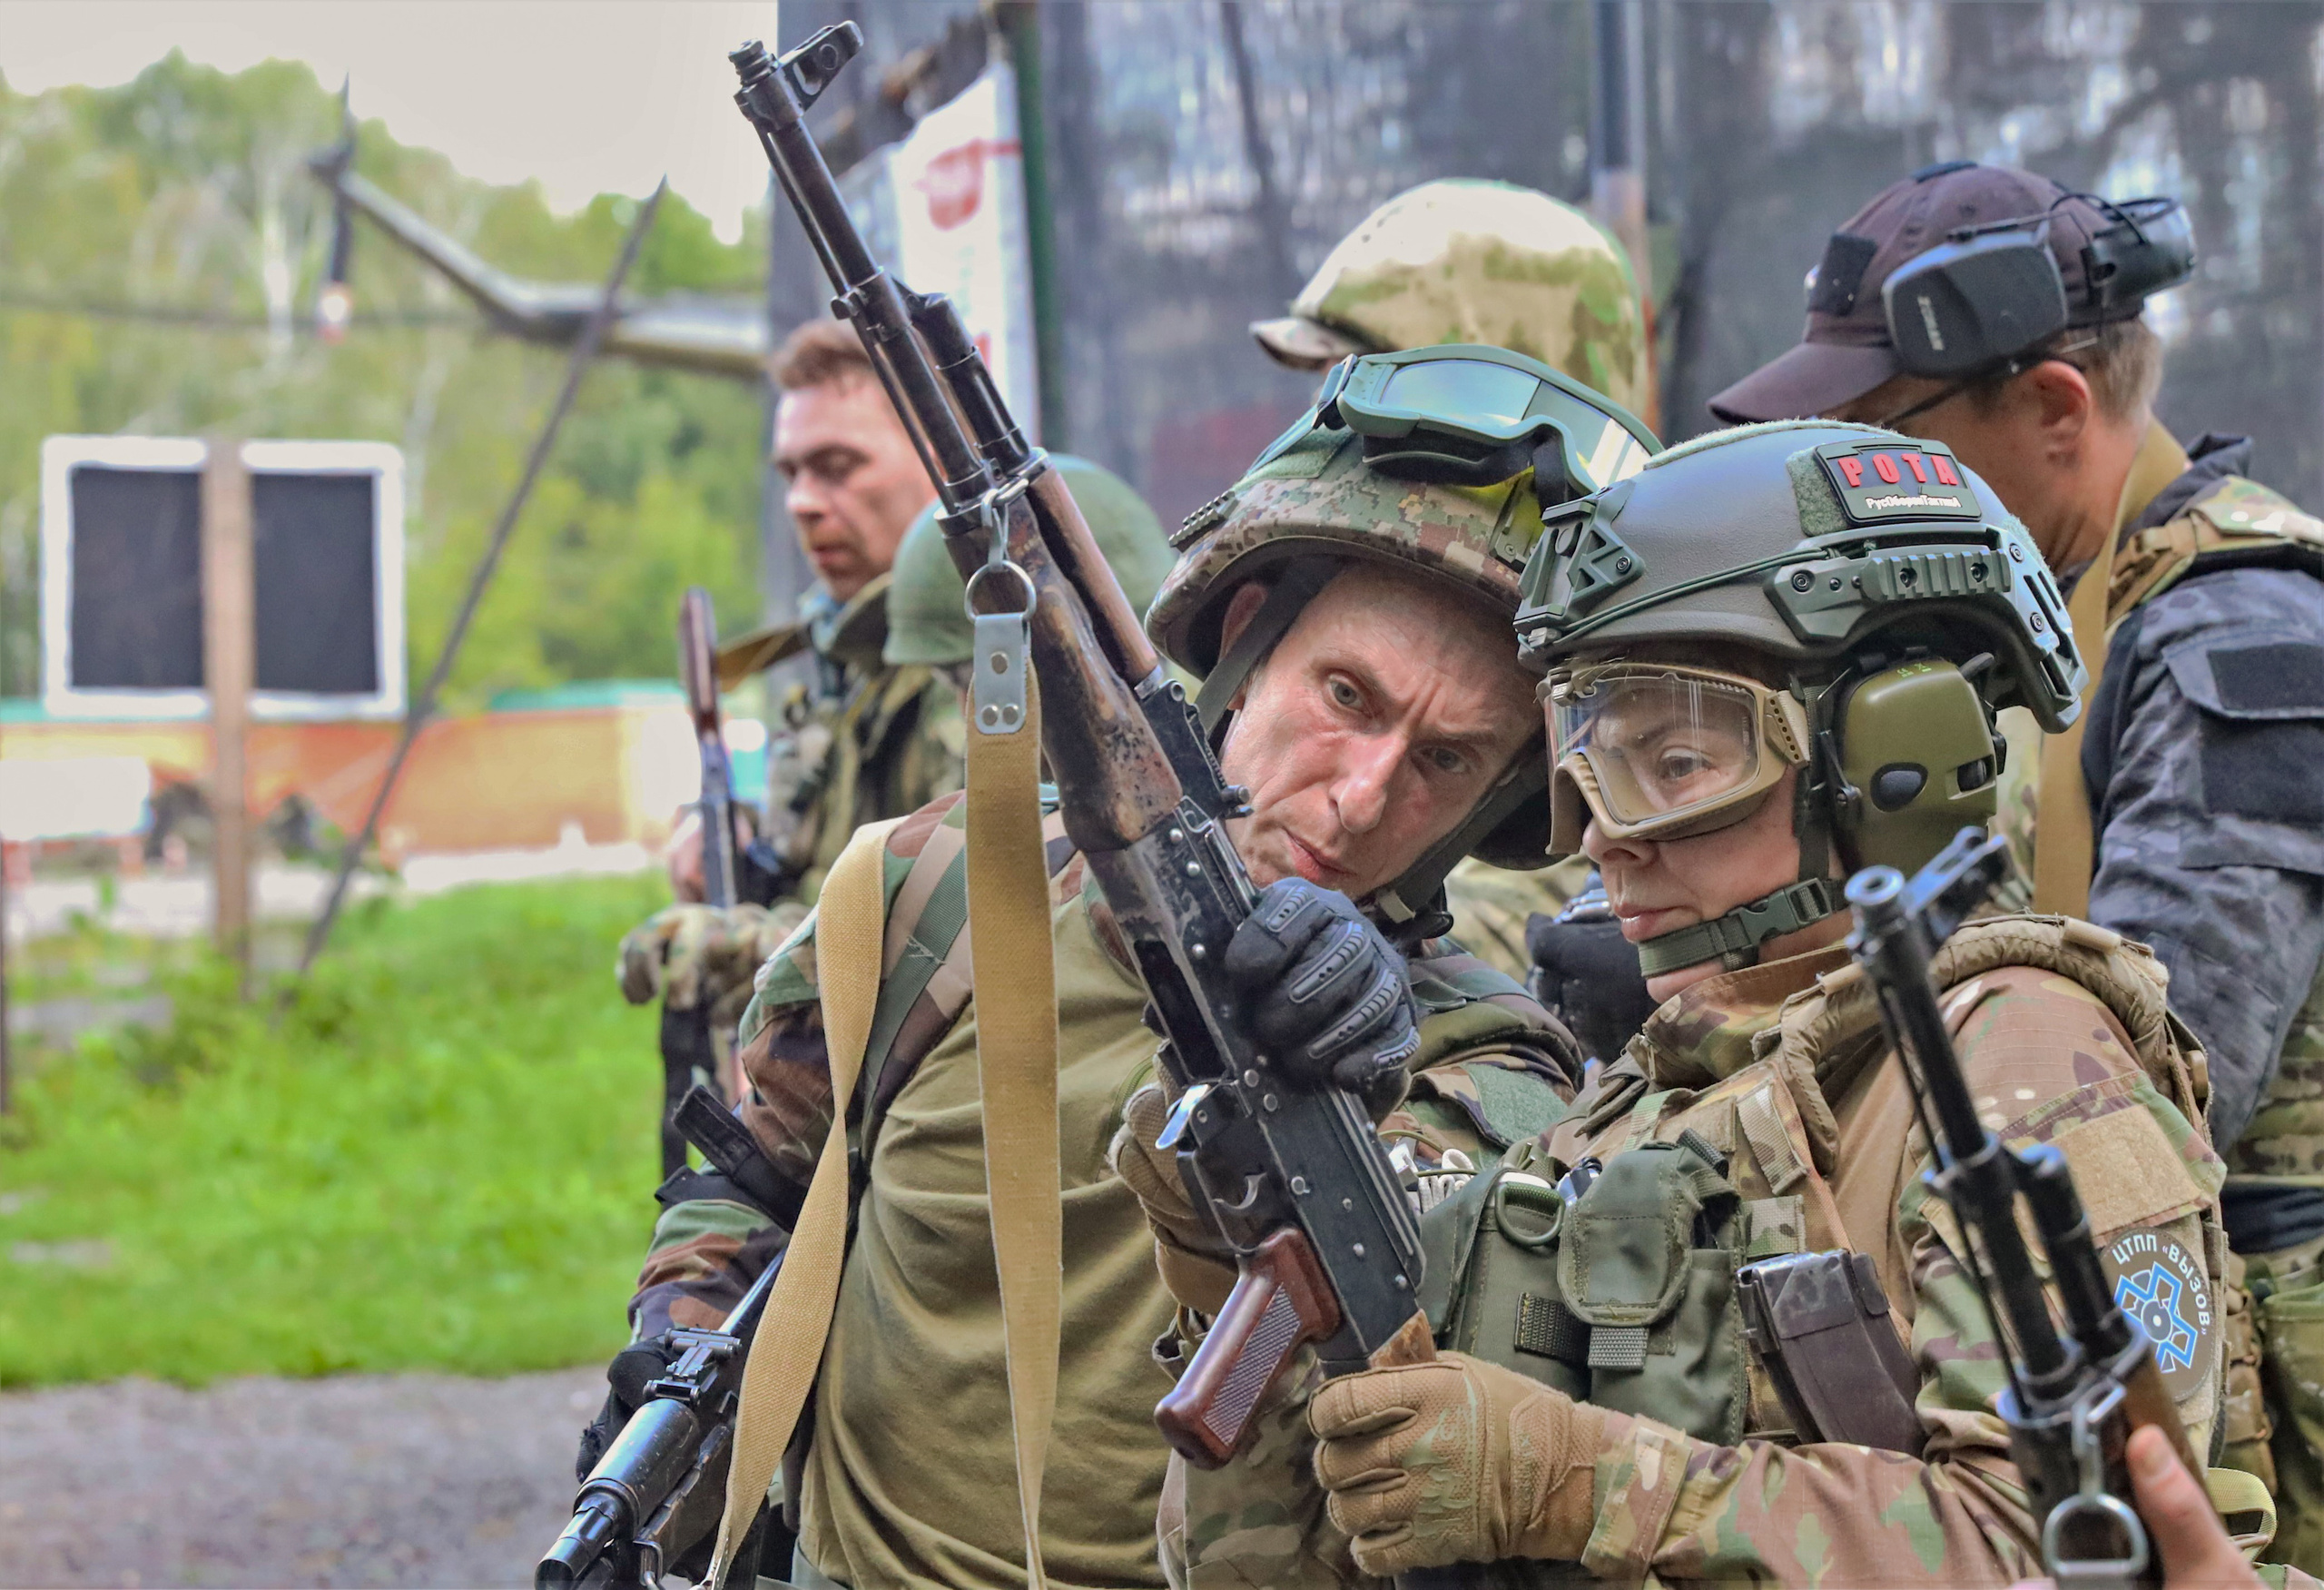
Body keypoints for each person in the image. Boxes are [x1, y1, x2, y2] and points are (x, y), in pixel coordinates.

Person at [1144, 420, 2248, 1587]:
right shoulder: (1638, 1101)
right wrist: (1246, 1212)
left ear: (1889, 764)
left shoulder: (2019, 1061)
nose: (1605, 838)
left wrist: (1581, 1484)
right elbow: (1251, 1559)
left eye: (1675, 764)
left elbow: (2079, 1550)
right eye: (1590, 756)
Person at [581, 355, 1612, 1588]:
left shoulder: (1482, 1060)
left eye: (1445, 759)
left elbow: (1437, 1393)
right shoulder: (929, 891)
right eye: (1346, 695)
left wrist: (1357, 1066)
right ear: (1247, 643)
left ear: (1496, 799)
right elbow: (758, 1179)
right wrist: (677, 1356)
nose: (1361, 793)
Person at [1711, 161, 2324, 1568]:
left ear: (2055, 409)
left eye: (1883, 437)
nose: (1842, 485)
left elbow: (2158, 1068)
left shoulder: (2238, 637)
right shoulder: (2015, 630)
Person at [1251, 175, 1656, 990]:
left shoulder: (1604, 717)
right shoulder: (1298, 614)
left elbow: (1505, 931)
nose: (1330, 423)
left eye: (1367, 382)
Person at [615, 318, 963, 1083]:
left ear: (943, 458)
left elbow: (946, 948)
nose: (803, 502)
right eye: (792, 473)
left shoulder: (981, 672)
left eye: (837, 467)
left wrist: (741, 944)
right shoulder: (850, 659)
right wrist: (735, 847)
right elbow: (828, 866)